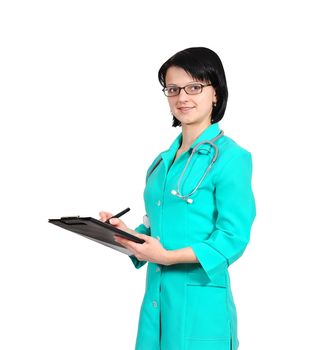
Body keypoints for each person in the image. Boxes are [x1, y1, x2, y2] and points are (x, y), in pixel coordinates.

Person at [99, 47, 256, 350]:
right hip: (156, 302)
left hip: (201, 304)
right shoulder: (161, 163)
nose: (182, 97)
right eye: (173, 89)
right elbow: (160, 228)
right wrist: (125, 234)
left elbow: (233, 236)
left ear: (216, 93)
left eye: (194, 87)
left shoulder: (232, 158)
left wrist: (168, 257)